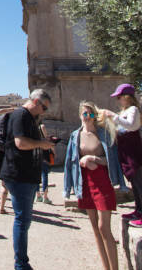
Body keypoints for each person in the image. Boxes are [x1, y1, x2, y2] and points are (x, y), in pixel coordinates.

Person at [0, 89, 54, 270]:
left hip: (26, 175)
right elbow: (20, 143)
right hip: (19, 174)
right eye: (44, 108)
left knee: (24, 220)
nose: (44, 112)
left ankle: (21, 262)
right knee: (22, 220)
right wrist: (42, 143)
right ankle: (21, 264)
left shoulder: (30, 118)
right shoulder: (20, 115)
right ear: (37, 101)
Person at [64, 101, 121, 270]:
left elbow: (113, 160)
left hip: (102, 181)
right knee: (96, 229)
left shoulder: (104, 133)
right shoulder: (75, 136)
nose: (88, 117)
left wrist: (93, 159)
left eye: (91, 114)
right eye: (85, 114)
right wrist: (67, 189)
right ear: (80, 115)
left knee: (104, 228)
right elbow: (69, 162)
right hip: (85, 182)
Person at [102, 83, 142, 226]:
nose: (118, 100)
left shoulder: (133, 110)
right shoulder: (125, 111)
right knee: (134, 182)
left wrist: (113, 116)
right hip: (125, 150)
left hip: (133, 150)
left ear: (127, 97)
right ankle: (138, 210)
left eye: (119, 97)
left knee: (139, 182)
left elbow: (131, 125)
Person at [35, 122, 53, 204]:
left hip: (35, 151)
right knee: (44, 173)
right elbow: (46, 138)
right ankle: (45, 196)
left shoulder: (31, 126)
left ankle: (38, 195)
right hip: (43, 151)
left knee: (36, 175)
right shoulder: (41, 126)